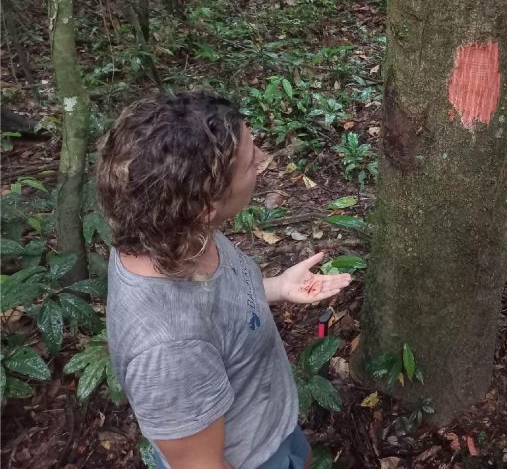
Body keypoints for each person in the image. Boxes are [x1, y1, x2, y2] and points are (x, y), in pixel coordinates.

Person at [98, 91, 351, 469]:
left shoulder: (169, 232)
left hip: (268, 428)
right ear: (206, 205)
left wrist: (277, 287)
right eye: (252, 163)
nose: (263, 160)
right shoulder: (169, 350)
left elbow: (216, 308)